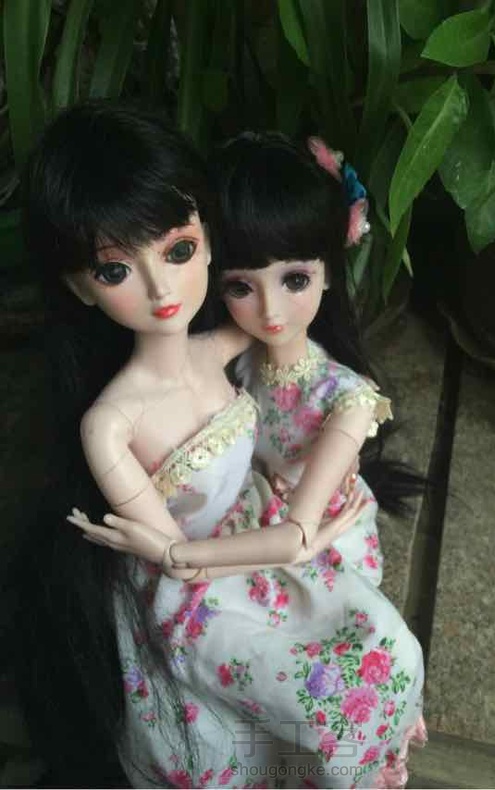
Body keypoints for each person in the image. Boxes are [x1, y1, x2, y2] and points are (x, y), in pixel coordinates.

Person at [10, 101, 362, 788]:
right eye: (115, 270)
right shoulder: (109, 424)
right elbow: (181, 563)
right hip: (195, 589)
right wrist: (304, 540)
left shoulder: (221, 343)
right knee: (309, 700)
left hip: (252, 532)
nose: (161, 287)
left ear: (207, 235)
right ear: (80, 286)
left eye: (178, 250)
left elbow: (287, 335)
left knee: (374, 650)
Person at [70, 130, 427, 788]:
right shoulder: (194, 372)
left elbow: (288, 533)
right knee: (279, 685)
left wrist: (288, 536)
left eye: (295, 280)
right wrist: (174, 554)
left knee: (378, 653)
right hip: (209, 565)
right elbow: (183, 554)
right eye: (242, 286)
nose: (268, 310)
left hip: (273, 533)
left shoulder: (334, 393)